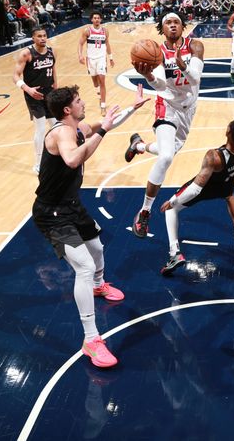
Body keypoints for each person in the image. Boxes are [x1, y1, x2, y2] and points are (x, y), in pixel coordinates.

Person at [32, 85, 148, 368]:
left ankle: (98, 285)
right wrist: (104, 131)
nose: (83, 103)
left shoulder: (77, 126)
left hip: (72, 205)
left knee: (96, 246)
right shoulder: (61, 132)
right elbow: (72, 159)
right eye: (78, 100)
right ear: (67, 110)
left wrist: (133, 107)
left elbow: (105, 122)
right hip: (52, 214)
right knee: (83, 266)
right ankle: (91, 339)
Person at [125, 9, 205, 238]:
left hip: (188, 109)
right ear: (162, 28)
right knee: (167, 156)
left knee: (167, 149)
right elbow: (160, 86)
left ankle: (139, 146)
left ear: (182, 26)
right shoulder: (156, 51)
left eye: (176, 22)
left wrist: (183, 65)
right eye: (167, 22)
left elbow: (196, 79)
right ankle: (144, 212)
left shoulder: (195, 46)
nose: (172, 25)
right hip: (166, 107)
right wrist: (149, 76)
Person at [159, 116, 234, 275]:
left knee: (171, 210)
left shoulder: (215, 157)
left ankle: (174, 253)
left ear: (228, 131)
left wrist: (173, 201)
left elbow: (195, 190)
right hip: (226, 186)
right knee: (230, 196)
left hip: (207, 187)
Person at [13, 27, 58, 173]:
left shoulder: (51, 51)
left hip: (49, 93)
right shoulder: (26, 53)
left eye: (44, 35)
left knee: (56, 125)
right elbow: (15, 76)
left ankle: (58, 155)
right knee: (41, 128)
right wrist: (28, 89)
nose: (43, 38)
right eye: (39, 36)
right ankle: (38, 163)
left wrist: (56, 88)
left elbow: (53, 70)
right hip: (34, 95)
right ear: (33, 38)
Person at [78, 12, 114, 116]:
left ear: (101, 19)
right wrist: (80, 55)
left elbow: (107, 44)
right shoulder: (87, 31)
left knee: (102, 80)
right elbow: (80, 43)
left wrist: (110, 57)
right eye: (95, 18)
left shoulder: (105, 31)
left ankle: (103, 106)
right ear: (91, 20)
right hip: (90, 59)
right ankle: (99, 95)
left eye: (98, 18)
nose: (97, 19)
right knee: (95, 82)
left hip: (101, 59)